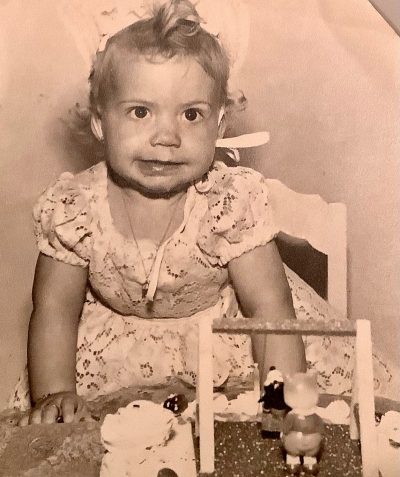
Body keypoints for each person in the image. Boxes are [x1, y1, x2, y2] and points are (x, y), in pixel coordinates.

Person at [12, 0, 393, 424]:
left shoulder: (228, 204)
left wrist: (280, 404)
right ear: (100, 121)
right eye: (140, 112)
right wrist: (57, 394)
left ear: (221, 124)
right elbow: (54, 312)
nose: (167, 137)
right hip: (112, 367)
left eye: (192, 114)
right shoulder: (75, 209)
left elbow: (269, 308)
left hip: (228, 355)